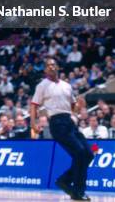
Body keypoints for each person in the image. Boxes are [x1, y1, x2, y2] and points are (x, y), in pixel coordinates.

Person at [30, 58, 93, 201]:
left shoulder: (67, 85)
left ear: (57, 67)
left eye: (53, 64)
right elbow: (34, 105)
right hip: (57, 123)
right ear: (45, 70)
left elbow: (73, 105)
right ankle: (78, 192)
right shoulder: (42, 86)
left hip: (69, 121)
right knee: (79, 152)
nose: (51, 67)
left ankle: (64, 180)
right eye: (48, 66)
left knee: (88, 154)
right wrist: (33, 124)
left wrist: (77, 109)